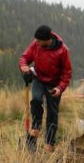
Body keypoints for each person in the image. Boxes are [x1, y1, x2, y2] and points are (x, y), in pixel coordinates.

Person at [19, 25, 72, 153]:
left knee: (52, 113)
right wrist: (24, 66)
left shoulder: (62, 50)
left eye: (38, 41)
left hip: (54, 84)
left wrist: (60, 88)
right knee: (36, 100)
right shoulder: (36, 44)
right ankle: (35, 129)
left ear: (46, 40)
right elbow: (24, 57)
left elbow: (67, 73)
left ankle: (49, 143)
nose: (36, 43)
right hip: (39, 79)